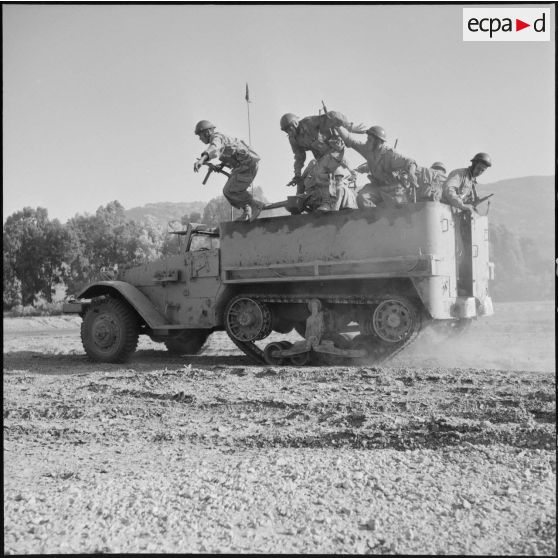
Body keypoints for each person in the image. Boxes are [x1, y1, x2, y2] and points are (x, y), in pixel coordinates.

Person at [280, 110, 367, 211]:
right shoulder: (293, 139)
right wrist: (297, 174)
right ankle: (299, 204)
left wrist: (350, 127)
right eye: (286, 130)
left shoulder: (309, 123)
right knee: (308, 177)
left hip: (335, 150)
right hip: (322, 158)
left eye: (289, 128)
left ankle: (327, 203)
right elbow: (299, 157)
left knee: (319, 171)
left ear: (295, 123)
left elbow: (333, 115)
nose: (289, 132)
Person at [193, 120, 264, 221]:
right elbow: (231, 154)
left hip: (247, 165)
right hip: (245, 166)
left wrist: (202, 159)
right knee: (233, 190)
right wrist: (221, 166)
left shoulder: (216, 138)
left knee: (229, 190)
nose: (200, 139)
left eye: (200, 136)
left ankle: (255, 205)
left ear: (207, 132)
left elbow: (214, 148)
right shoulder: (221, 139)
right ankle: (247, 211)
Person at [339, 125, 420, 208]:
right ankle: (373, 218)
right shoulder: (368, 150)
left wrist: (411, 173)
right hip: (376, 187)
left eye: (369, 140)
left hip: (392, 188)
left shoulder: (390, 154)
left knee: (398, 210)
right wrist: (337, 125)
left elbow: (410, 162)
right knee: (362, 198)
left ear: (378, 142)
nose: (367, 142)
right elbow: (351, 141)